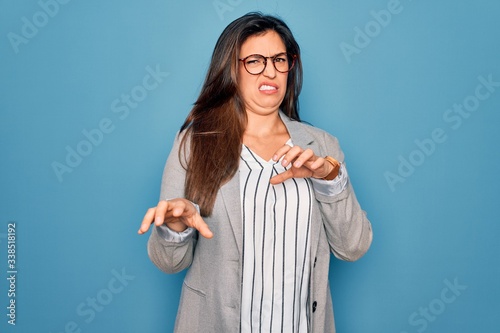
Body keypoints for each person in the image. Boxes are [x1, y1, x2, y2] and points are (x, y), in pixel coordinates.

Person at [138, 12, 372, 333]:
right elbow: (168, 263)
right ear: (231, 68)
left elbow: (353, 246)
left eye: (279, 60)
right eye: (255, 61)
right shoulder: (195, 142)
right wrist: (175, 226)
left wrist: (330, 181)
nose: (270, 71)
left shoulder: (322, 146)